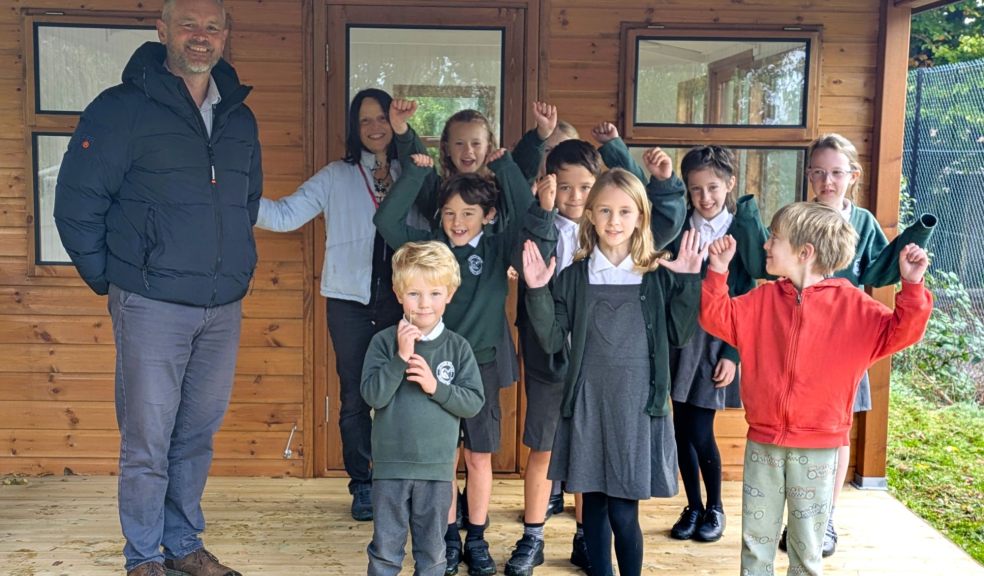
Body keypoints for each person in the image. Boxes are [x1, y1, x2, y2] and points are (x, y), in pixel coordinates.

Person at [53, 0, 259, 574]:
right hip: (151, 303)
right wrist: (116, 280)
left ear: (226, 35)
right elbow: (75, 205)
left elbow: (245, 203)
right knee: (148, 440)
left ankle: (184, 546)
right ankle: (144, 556)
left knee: (196, 435)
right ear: (162, 29)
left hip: (221, 306)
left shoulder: (239, 117)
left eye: (212, 27)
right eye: (188, 24)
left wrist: (235, 270)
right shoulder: (121, 110)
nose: (201, 37)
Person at [728, 133, 937, 555]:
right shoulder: (795, 219)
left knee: (836, 434)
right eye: (819, 172)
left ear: (852, 176)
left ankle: (822, 519)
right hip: (793, 338)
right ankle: (791, 520)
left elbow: (879, 270)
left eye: (836, 172)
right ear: (809, 176)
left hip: (845, 338)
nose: (828, 180)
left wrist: (910, 277)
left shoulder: (861, 222)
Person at [503, 139, 685, 576]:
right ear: (591, 215)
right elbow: (548, 337)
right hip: (587, 404)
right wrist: (537, 289)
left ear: (640, 216)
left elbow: (680, 330)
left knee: (625, 514)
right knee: (595, 514)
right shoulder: (574, 276)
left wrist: (694, 280)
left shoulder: (657, 275)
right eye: (604, 210)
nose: (614, 220)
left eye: (624, 211)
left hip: (635, 409)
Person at [255, 88, 428, 521]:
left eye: (382, 119)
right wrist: (231, 196)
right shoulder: (336, 175)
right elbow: (282, 215)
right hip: (349, 302)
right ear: (354, 127)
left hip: (403, 302)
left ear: (396, 123)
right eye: (365, 120)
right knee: (355, 398)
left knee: (403, 392)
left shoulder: (416, 170)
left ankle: (397, 481)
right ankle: (363, 484)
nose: (374, 128)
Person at [373, 149, 542, 576]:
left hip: (480, 366)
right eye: (449, 213)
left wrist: (506, 167)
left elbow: (525, 213)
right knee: (444, 458)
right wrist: (413, 174)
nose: (457, 221)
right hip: (426, 366)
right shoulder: (430, 250)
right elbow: (386, 222)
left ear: (487, 215)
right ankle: (447, 539)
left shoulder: (501, 244)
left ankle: (477, 538)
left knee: (479, 457)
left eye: (468, 212)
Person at [361, 241, 485, 576]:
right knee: (386, 552)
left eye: (434, 293)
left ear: (450, 294)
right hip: (390, 469)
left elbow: (473, 402)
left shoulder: (458, 348)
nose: (424, 303)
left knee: (432, 554)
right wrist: (400, 358)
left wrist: (435, 387)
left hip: (436, 470)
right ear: (399, 294)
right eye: (414, 294)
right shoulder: (383, 343)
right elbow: (373, 395)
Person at [664, 146, 755, 544]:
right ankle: (693, 506)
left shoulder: (741, 230)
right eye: (696, 189)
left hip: (717, 342)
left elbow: (748, 294)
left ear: (729, 184)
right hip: (678, 340)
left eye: (713, 187)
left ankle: (715, 506)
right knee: (680, 429)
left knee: (701, 430)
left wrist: (733, 354)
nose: (705, 197)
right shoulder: (678, 227)